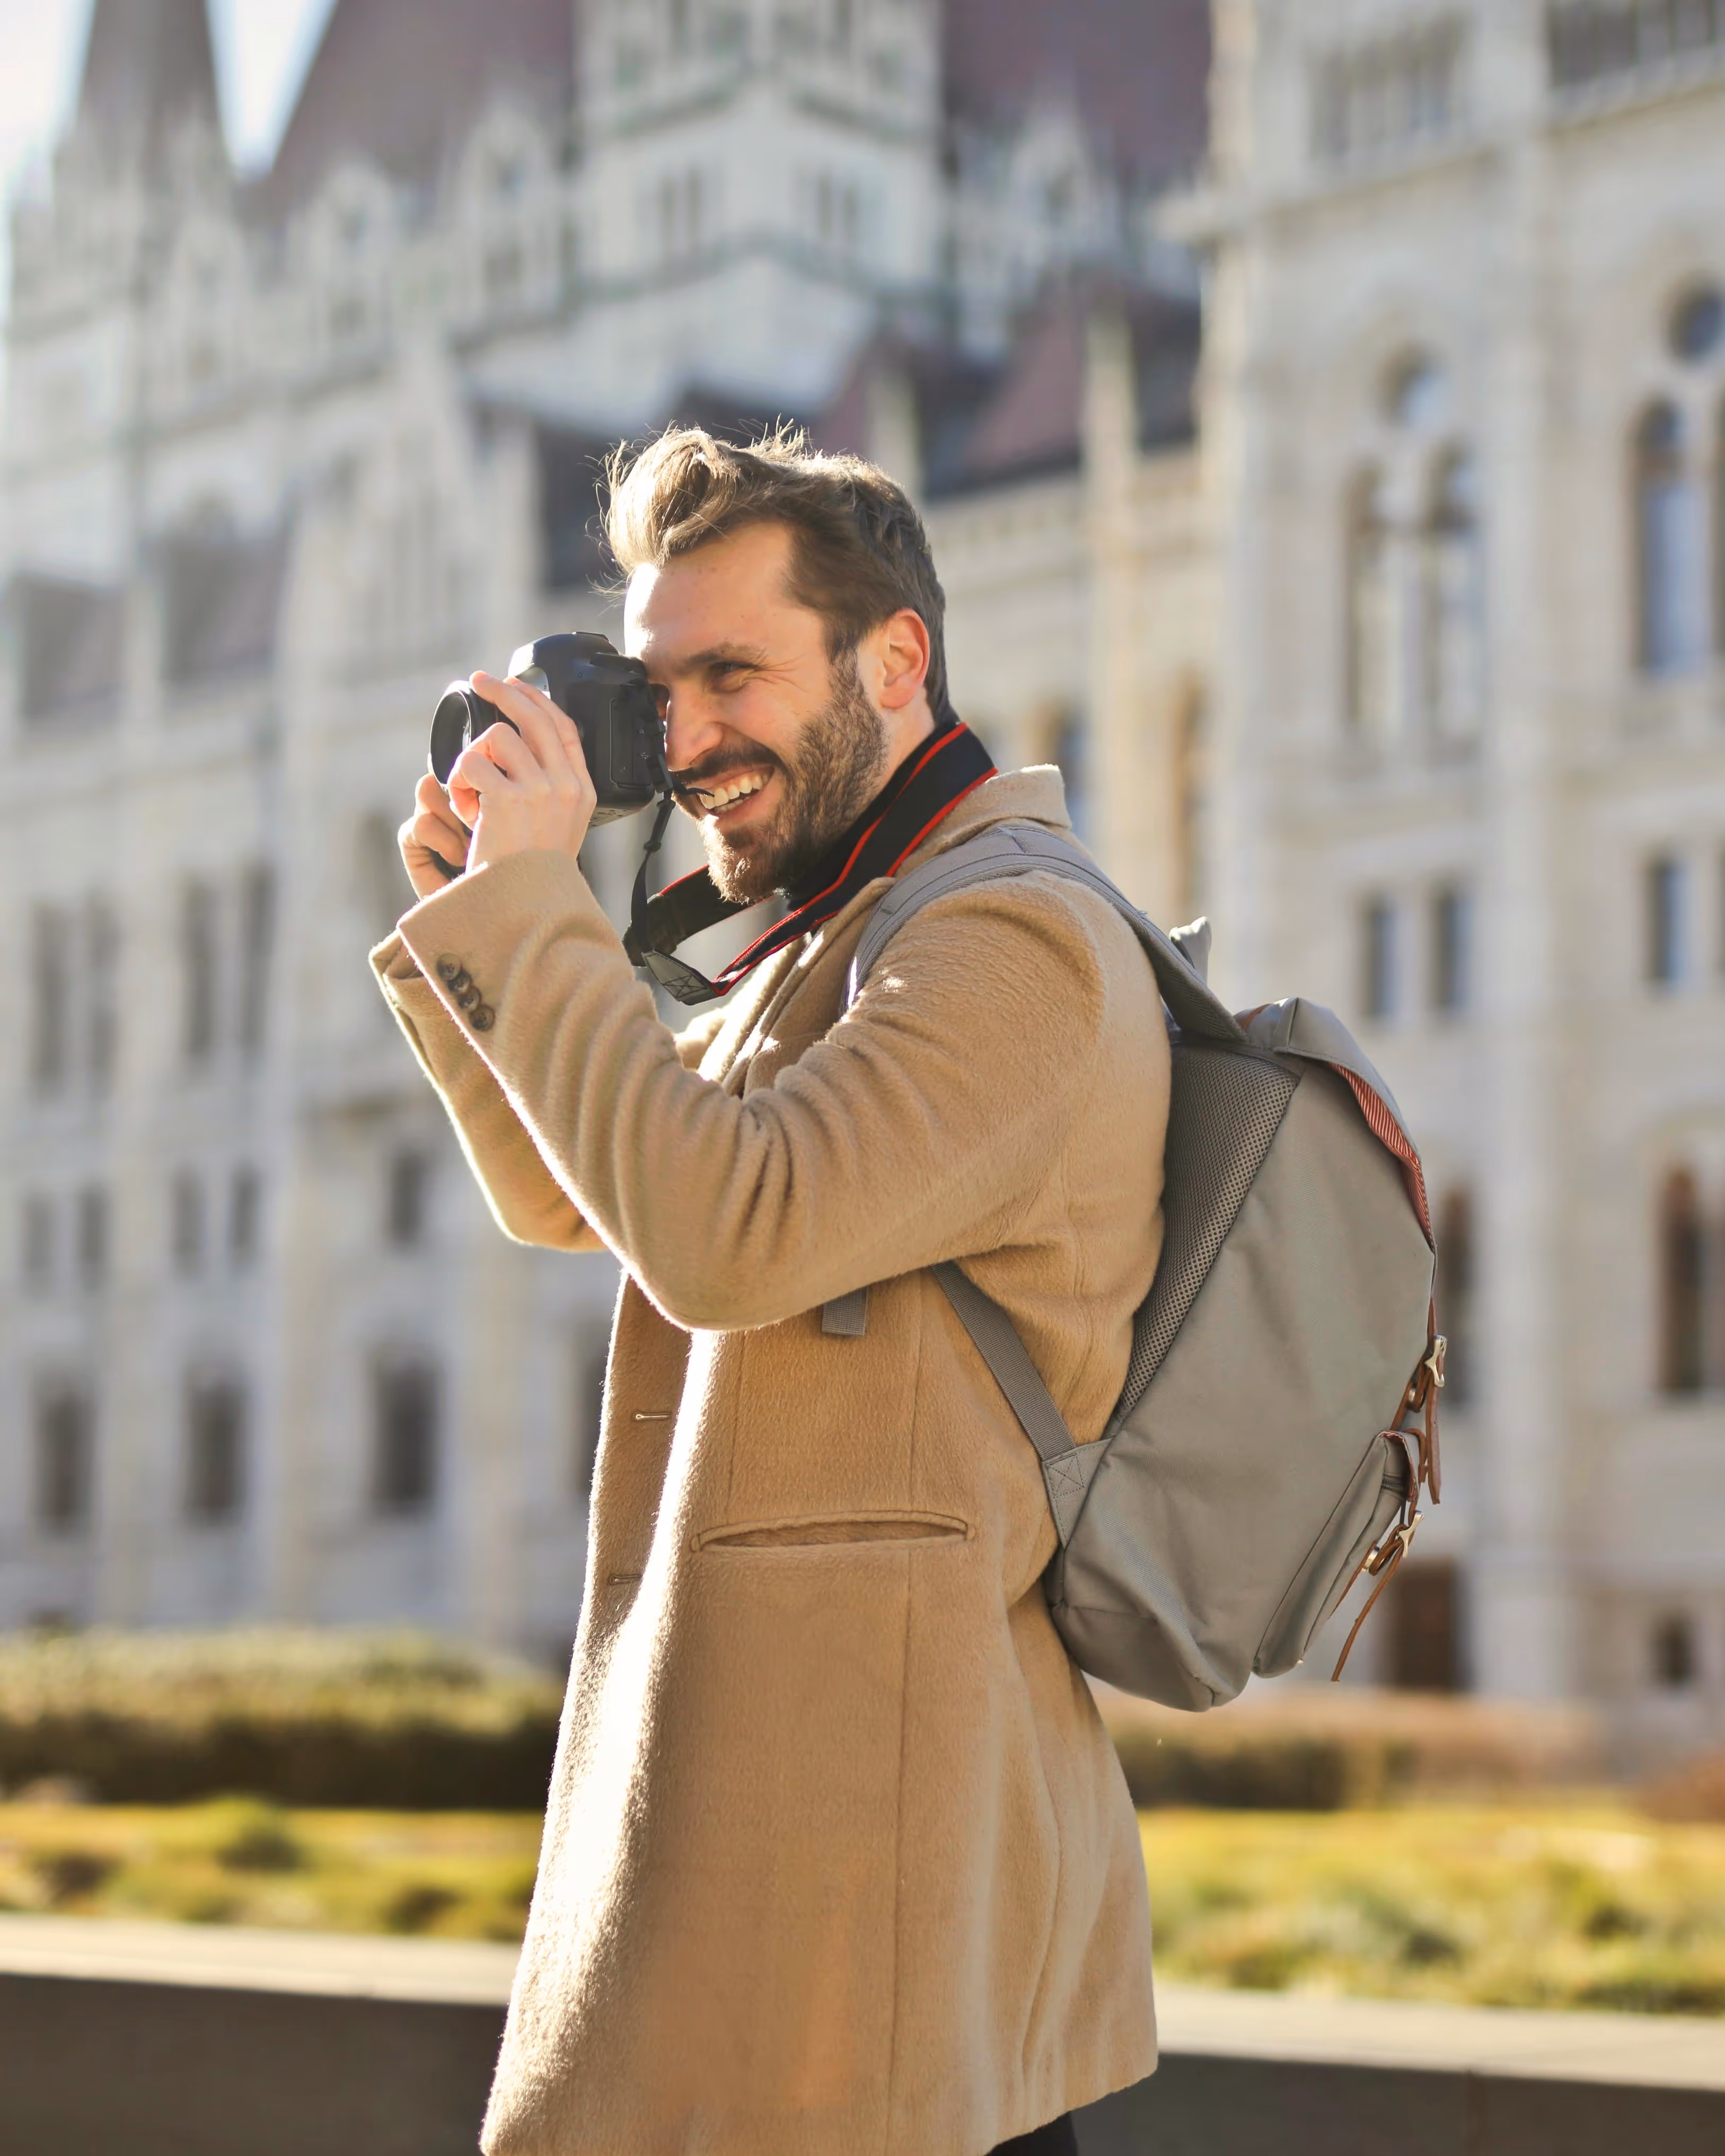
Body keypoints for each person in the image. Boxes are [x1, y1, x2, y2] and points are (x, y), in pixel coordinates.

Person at [374, 427, 1170, 2156]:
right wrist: (479, 918)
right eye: (661, 693)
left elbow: (728, 1233)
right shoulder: (843, 935)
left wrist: (537, 913)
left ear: (895, 662)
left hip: (883, 1888)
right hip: (783, 1842)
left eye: (733, 672)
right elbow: (579, 1194)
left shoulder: (1007, 938)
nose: (687, 741)